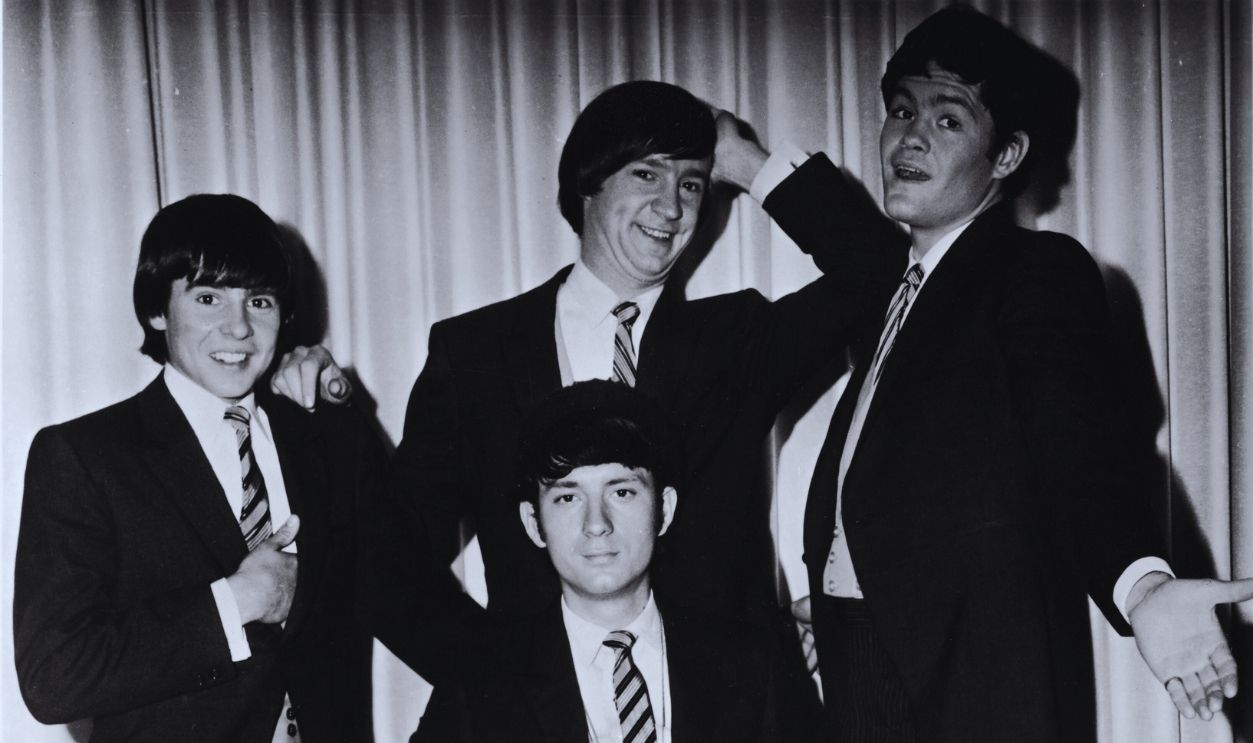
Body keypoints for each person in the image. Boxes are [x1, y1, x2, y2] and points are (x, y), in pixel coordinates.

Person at [710, 5, 1253, 741]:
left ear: (1005, 156)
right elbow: (856, 243)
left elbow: (1073, 443)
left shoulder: (1035, 273)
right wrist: (745, 161)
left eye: (947, 120)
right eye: (901, 110)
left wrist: (1141, 583)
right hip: (856, 645)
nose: (909, 134)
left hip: (970, 679)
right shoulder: (900, 281)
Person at [275, 80, 856, 709]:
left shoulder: (737, 340)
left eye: (691, 184)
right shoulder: (475, 354)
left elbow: (884, 275)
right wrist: (491, 678)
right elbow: (394, 561)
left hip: (727, 714)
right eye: (646, 175)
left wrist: (745, 162)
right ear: (588, 181)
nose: (672, 207)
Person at [13, 194, 383, 742]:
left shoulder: (322, 431)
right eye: (209, 297)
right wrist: (233, 603)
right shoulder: (83, 456)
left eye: (259, 301)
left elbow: (403, 566)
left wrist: (343, 401)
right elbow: (54, 676)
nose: (239, 328)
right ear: (157, 311)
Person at [413, 380, 797, 742]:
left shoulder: (750, 665)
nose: (596, 524)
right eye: (568, 498)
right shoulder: (475, 681)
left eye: (623, 493)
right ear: (533, 523)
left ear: (664, 508)